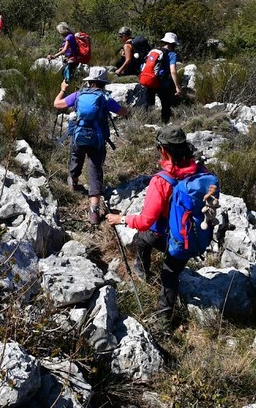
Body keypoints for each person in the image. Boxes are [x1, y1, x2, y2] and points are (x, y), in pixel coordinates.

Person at [105, 125, 207, 319]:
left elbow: (145, 221)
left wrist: (121, 219)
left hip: (170, 237)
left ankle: (158, 307)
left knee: (144, 240)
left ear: (163, 150)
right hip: (194, 235)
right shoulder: (200, 171)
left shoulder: (161, 181)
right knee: (172, 272)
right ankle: (163, 314)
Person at [54, 66, 128, 224]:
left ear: (89, 81)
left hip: (79, 136)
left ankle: (74, 183)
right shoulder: (105, 98)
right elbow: (122, 112)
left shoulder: (78, 94)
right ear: (104, 83)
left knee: (75, 158)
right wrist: (126, 110)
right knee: (95, 170)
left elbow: (57, 104)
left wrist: (62, 90)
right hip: (97, 140)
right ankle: (94, 211)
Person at [145, 32, 182, 124]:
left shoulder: (154, 51)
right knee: (165, 103)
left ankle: (149, 123)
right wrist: (177, 86)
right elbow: (173, 71)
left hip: (150, 80)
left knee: (150, 103)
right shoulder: (172, 54)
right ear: (173, 44)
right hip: (162, 83)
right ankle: (165, 123)